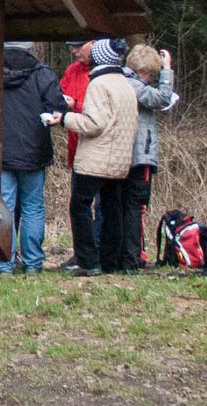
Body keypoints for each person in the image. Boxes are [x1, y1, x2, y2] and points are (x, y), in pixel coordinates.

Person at [63, 38, 140, 276]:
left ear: (98, 58)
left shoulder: (98, 84)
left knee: (80, 206)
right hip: (119, 161)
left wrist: (64, 118)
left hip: (95, 160)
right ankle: (110, 261)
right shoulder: (127, 84)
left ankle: (88, 261)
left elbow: (94, 124)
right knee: (112, 210)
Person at [0, 41, 68, 274]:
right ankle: (33, 263)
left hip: (1, 150)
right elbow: (58, 107)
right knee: (33, 207)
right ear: (28, 46)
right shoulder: (43, 74)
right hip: (34, 150)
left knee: (4, 207)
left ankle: (4, 264)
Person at [123, 45, 178, 270]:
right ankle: (135, 256)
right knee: (137, 207)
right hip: (139, 155)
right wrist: (167, 71)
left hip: (127, 155)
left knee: (126, 206)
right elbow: (163, 98)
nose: (150, 80)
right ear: (141, 70)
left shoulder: (123, 81)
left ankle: (130, 254)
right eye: (151, 75)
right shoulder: (134, 86)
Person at [58, 40, 94, 169]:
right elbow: (58, 94)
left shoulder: (102, 74)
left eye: (78, 46)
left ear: (93, 43)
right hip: (74, 146)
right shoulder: (72, 69)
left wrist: (75, 104)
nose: (74, 50)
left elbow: (100, 113)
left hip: (95, 151)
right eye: (72, 47)